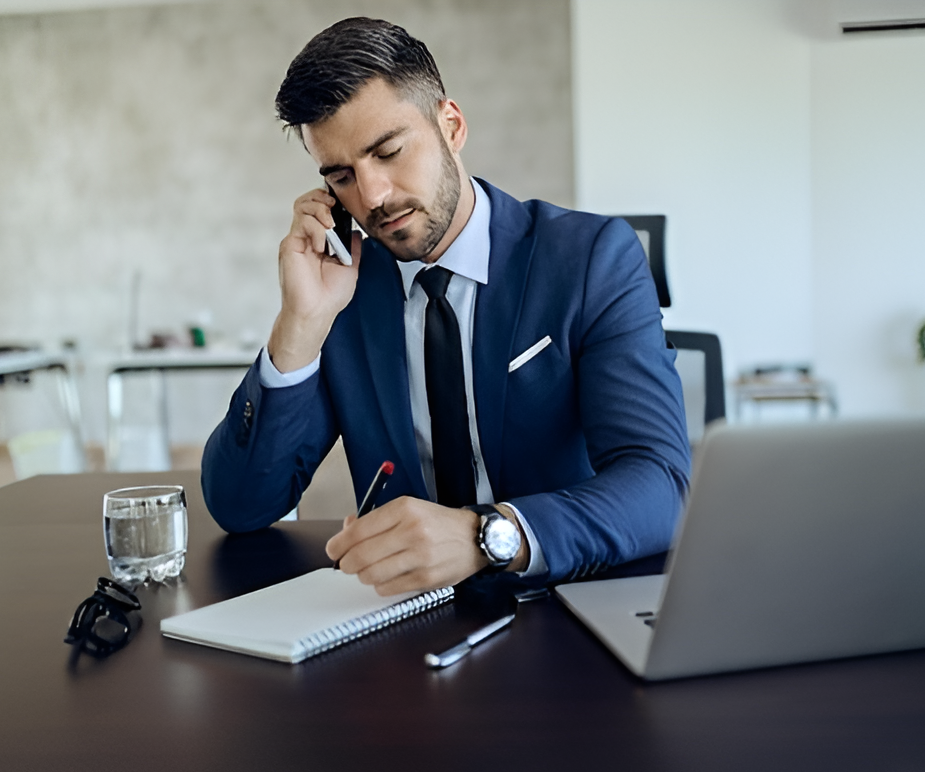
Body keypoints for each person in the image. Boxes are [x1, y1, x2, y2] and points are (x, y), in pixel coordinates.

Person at [202, 17, 690, 593]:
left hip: (565, 608)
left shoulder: (590, 260)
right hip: (405, 624)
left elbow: (660, 486)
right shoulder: (343, 291)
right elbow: (241, 505)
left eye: (388, 152)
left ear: (451, 126)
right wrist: (300, 325)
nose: (372, 196)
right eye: (341, 176)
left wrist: (487, 537)